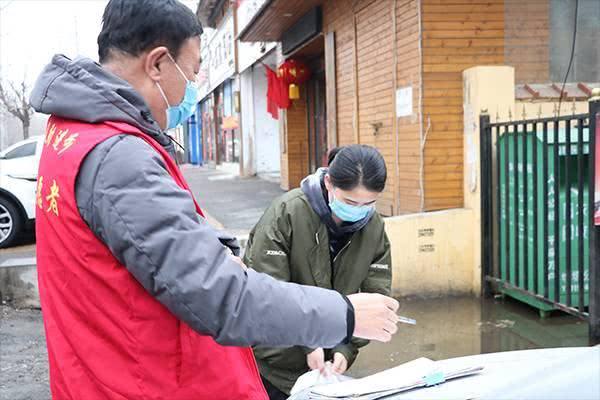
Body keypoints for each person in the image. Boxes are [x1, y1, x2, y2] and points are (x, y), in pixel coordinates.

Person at [29, 1, 400, 399]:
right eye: (191, 71)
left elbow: (144, 243)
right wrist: (343, 315)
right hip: (144, 380)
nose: (193, 86)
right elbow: (219, 295)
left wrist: (212, 250)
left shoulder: (74, 131)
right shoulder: (118, 154)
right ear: (157, 64)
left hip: (103, 368)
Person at [244, 145, 393, 399]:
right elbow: (265, 290)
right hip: (273, 363)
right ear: (328, 183)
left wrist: (345, 349)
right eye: (350, 202)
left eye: (368, 203)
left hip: (327, 370)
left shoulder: (373, 227)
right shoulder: (287, 213)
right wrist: (308, 341)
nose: (358, 210)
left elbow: (375, 295)